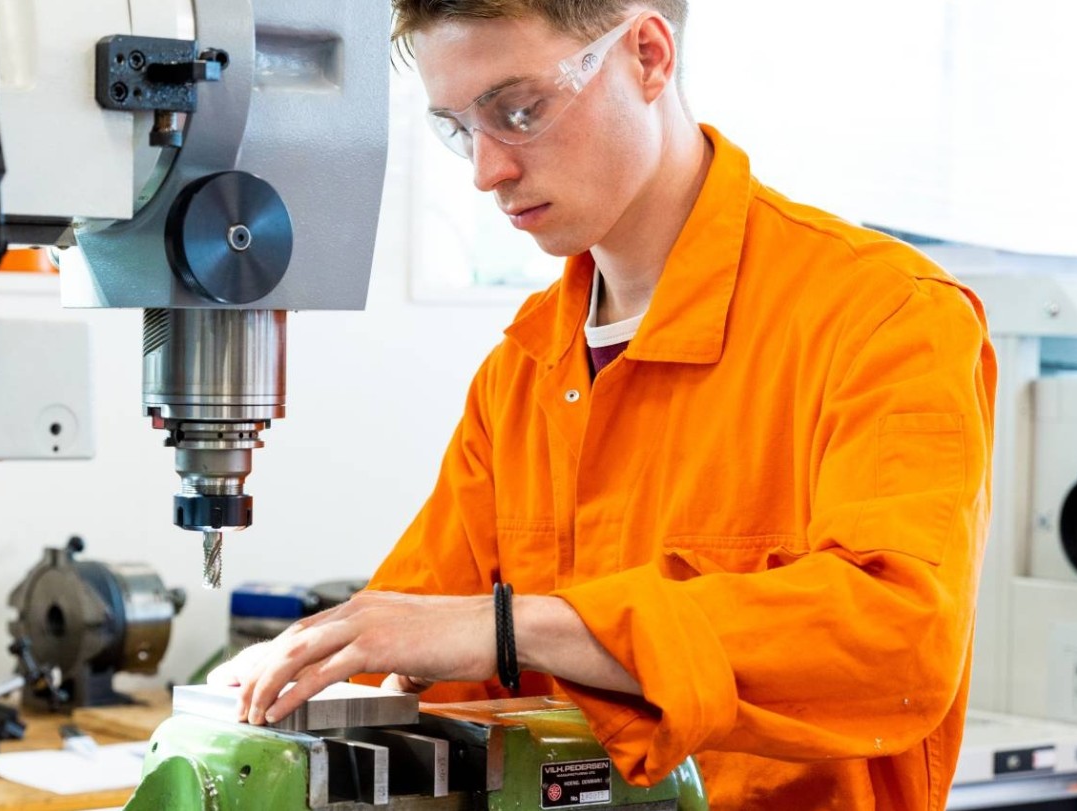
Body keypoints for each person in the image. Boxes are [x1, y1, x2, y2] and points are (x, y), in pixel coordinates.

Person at [208, 2, 998, 808]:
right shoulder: (524, 370)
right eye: (458, 128)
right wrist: (285, 687)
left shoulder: (885, 317)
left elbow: (899, 642)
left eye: (519, 111)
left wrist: (515, 628)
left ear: (648, 56)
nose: (487, 170)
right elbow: (413, 648)